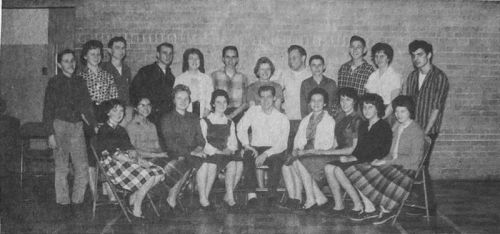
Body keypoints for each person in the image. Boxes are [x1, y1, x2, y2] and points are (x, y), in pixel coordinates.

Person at [344, 95, 425, 225]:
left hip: (407, 169)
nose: (398, 115)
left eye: (403, 111)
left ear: (410, 111)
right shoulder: (397, 127)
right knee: (357, 169)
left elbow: (414, 160)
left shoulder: (416, 131)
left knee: (370, 173)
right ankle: (372, 208)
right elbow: (390, 152)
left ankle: (387, 209)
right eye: (396, 111)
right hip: (393, 164)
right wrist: (380, 160)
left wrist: (386, 162)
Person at [43, 49, 97, 216]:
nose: (70, 64)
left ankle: (77, 202)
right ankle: (63, 204)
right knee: (62, 167)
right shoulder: (54, 82)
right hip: (60, 126)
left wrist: (94, 124)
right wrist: (50, 134)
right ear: (59, 64)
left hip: (77, 127)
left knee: (82, 166)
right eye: (66, 61)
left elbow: (86, 106)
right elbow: (48, 109)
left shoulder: (80, 81)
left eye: (72, 60)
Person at [324, 93, 392, 221]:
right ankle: (349, 205)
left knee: (340, 170)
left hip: (375, 162)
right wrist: (352, 157)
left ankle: (369, 208)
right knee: (329, 167)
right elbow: (359, 148)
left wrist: (354, 159)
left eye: (370, 107)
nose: (366, 111)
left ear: (377, 109)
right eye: (364, 107)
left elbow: (379, 151)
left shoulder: (383, 126)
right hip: (361, 158)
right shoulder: (364, 125)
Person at [95, 99, 165, 220]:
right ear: (108, 112)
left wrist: (138, 159)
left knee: (158, 173)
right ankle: (136, 208)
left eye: (121, 110)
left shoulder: (121, 130)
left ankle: (133, 197)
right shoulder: (104, 130)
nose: (119, 114)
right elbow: (114, 154)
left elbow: (130, 149)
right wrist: (135, 161)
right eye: (115, 110)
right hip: (113, 164)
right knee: (149, 176)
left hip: (125, 160)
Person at [403, 40, 449, 215]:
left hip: (428, 130)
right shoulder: (412, 76)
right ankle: (414, 200)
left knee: (422, 166)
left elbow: (436, 108)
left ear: (429, 55)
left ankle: (428, 205)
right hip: (413, 128)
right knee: (411, 164)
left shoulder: (439, 77)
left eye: (420, 54)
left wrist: (426, 133)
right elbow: (407, 105)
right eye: (413, 55)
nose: (416, 58)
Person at [284, 88, 337, 210]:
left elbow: (327, 145)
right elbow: (298, 139)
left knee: (297, 161)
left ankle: (310, 198)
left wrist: (306, 152)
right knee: (286, 164)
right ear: (309, 103)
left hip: (322, 154)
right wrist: (297, 149)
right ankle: (313, 197)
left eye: (319, 101)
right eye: (313, 100)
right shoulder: (306, 119)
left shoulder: (329, 120)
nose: (316, 103)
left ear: (325, 103)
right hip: (306, 153)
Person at [237, 85, 290, 208]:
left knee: (276, 160)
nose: (265, 101)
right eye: (262, 97)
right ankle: (251, 195)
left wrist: (266, 154)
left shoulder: (282, 118)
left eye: (269, 97)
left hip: (274, 149)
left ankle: (272, 195)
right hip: (255, 147)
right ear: (259, 99)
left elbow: (282, 144)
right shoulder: (253, 111)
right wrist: (246, 145)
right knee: (247, 155)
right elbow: (240, 127)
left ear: (275, 98)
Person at [78, 39, 118, 199]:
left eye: (98, 54)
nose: (96, 57)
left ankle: (109, 190)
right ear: (85, 57)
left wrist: (110, 120)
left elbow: (114, 99)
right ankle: (94, 193)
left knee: (107, 154)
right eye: (92, 54)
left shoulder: (107, 76)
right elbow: (80, 105)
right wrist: (91, 123)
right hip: (87, 119)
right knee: (91, 156)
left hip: (105, 118)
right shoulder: (80, 77)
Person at [160, 84, 207, 210]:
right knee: (185, 162)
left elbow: (201, 139)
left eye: (186, 99)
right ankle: (172, 198)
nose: (183, 101)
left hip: (193, 153)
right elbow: (170, 143)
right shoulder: (167, 118)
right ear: (174, 100)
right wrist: (191, 153)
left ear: (189, 100)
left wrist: (197, 149)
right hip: (175, 152)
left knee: (205, 161)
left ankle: (202, 198)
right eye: (179, 98)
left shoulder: (194, 117)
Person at [200, 90, 242, 209]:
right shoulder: (205, 121)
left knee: (236, 163)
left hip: (225, 153)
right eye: (218, 102)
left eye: (224, 102)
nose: (221, 105)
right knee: (230, 163)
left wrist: (230, 149)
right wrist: (217, 151)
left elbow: (233, 142)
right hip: (211, 153)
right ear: (213, 104)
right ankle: (227, 198)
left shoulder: (229, 122)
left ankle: (229, 197)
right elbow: (203, 142)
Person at [130, 42, 176, 125]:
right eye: (164, 53)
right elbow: (134, 92)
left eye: (170, 53)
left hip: (166, 119)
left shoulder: (171, 76)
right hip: (149, 118)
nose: (168, 56)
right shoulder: (146, 71)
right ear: (158, 54)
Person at [274, 45, 311, 141]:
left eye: (294, 58)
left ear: (303, 58)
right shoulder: (285, 75)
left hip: (305, 120)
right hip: (288, 120)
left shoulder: (310, 74)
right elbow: (275, 92)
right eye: (289, 58)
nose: (291, 61)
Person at [210, 46, 250, 123]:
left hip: (238, 114)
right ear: (223, 59)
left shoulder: (243, 78)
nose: (230, 60)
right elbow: (211, 98)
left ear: (237, 59)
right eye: (227, 57)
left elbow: (245, 103)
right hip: (219, 113)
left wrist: (232, 115)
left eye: (233, 57)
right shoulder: (215, 76)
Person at [365, 42, 402, 120]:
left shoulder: (395, 76)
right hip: (373, 113)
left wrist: (381, 118)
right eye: (376, 56)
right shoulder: (372, 76)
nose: (378, 59)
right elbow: (369, 98)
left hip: (388, 114)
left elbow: (393, 103)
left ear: (388, 58)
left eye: (382, 56)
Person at [174, 48, 214, 118]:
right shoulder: (180, 79)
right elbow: (176, 98)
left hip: (203, 114)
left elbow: (210, 96)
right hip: (185, 114)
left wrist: (207, 108)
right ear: (186, 61)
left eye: (197, 58)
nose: (194, 61)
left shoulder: (206, 78)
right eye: (191, 58)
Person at [102, 36, 132, 105]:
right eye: (117, 48)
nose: (121, 51)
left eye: (123, 48)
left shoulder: (126, 69)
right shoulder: (103, 68)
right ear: (109, 50)